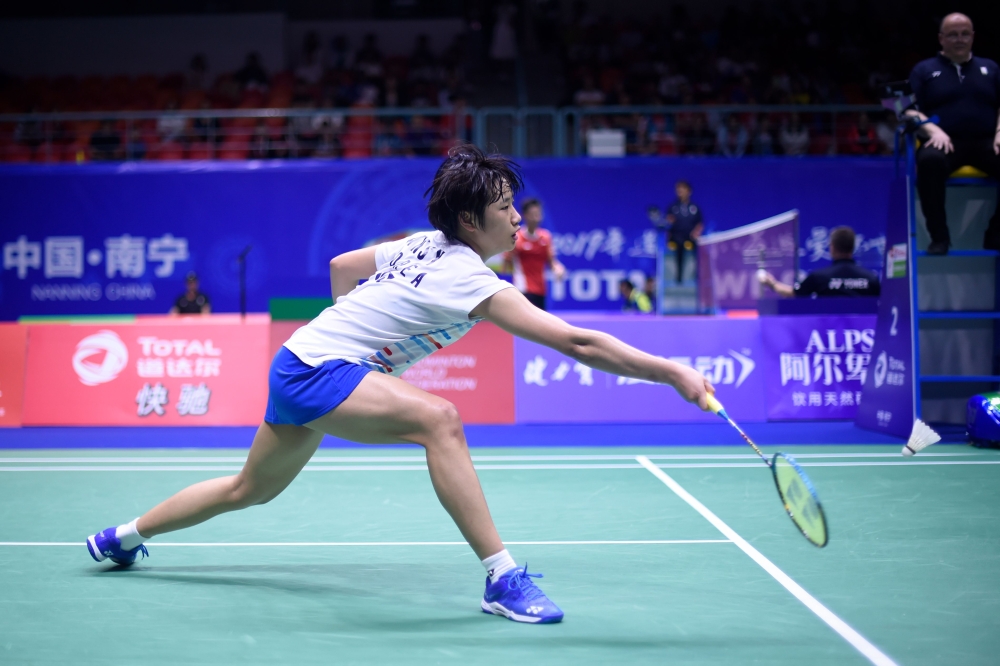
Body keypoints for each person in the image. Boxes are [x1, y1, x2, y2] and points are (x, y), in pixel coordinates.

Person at [86, 145, 715, 625]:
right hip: (318, 370)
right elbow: (577, 342)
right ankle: (502, 579)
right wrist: (673, 371)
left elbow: (341, 268)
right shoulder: (470, 277)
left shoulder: (422, 247)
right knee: (440, 419)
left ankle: (123, 537)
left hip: (300, 358)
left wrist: (356, 343)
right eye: (505, 208)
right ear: (471, 219)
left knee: (247, 489)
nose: (517, 216)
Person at [906, 13, 1000, 254]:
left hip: (987, 141)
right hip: (944, 141)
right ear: (941, 39)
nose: (959, 39)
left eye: (964, 33)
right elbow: (905, 109)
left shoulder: (990, 68)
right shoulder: (924, 70)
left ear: (972, 37)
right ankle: (940, 238)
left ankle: (995, 233)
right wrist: (932, 129)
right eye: (953, 34)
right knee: (929, 162)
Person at [758, 226, 880, 297]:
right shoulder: (871, 279)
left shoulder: (819, 277)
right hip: (864, 334)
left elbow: (794, 294)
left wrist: (772, 283)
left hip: (825, 334)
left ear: (832, 247)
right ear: (853, 247)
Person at [501, 198, 566, 310]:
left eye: (538, 214)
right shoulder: (517, 238)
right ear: (525, 215)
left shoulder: (545, 237)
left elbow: (552, 262)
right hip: (523, 290)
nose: (536, 217)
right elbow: (505, 265)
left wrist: (558, 269)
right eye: (533, 214)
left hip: (540, 290)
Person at [663, 180, 703, 283]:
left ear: (688, 191)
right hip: (676, 238)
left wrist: (696, 233)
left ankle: (699, 276)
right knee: (678, 246)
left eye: (682, 189)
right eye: (678, 189)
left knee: (700, 249)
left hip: (690, 238)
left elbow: (700, 224)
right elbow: (668, 224)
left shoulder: (695, 208)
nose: (679, 191)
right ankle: (679, 278)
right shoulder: (673, 207)